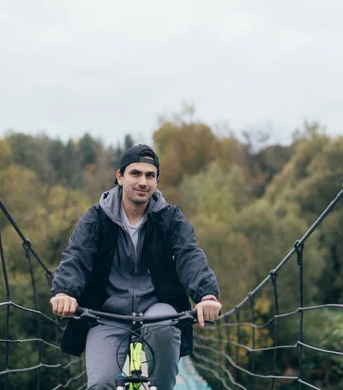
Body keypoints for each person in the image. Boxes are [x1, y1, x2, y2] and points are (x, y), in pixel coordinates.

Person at [50, 144, 221, 390]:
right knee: (100, 384)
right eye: (135, 173)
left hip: (157, 311)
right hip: (106, 314)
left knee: (164, 328)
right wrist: (65, 292)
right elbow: (77, 256)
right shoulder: (97, 218)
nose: (143, 181)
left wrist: (206, 294)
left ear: (157, 181)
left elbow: (189, 254)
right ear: (120, 177)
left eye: (150, 176)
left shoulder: (170, 219)